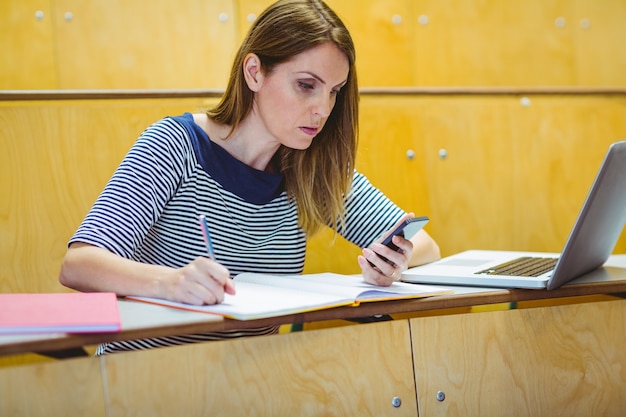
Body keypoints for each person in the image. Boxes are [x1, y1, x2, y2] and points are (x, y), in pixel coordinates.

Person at [59, 0, 440, 354]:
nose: (322, 110)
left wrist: (393, 262)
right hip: (146, 382)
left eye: (334, 92)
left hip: (250, 385)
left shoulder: (311, 166)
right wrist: (171, 283)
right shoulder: (176, 145)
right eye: (306, 85)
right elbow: (79, 265)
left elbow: (425, 246)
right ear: (254, 72)